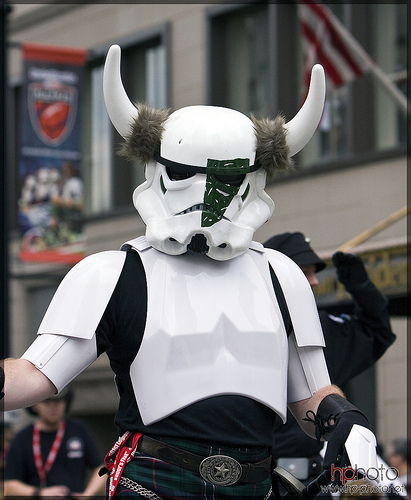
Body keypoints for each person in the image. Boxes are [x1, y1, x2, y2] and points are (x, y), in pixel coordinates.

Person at [1, 45, 378, 500]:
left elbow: (309, 398)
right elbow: (35, 375)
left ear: (250, 179)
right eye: (183, 172)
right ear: (158, 167)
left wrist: (344, 418)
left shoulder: (280, 275)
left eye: (223, 179)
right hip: (153, 483)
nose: (205, 196)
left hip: (255, 484)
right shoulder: (112, 274)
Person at [263, 232, 396, 486]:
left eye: (314, 273)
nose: (314, 282)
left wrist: (362, 287)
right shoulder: (243, 329)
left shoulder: (323, 330)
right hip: (257, 481)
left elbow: (377, 333)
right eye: (303, 272)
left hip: (310, 482)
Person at [3, 387, 106, 498]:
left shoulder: (79, 429)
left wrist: (86, 495)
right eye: (47, 402)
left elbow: (100, 469)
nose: (53, 407)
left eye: (58, 401)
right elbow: (8, 485)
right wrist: (40, 493)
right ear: (34, 405)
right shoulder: (23, 438)